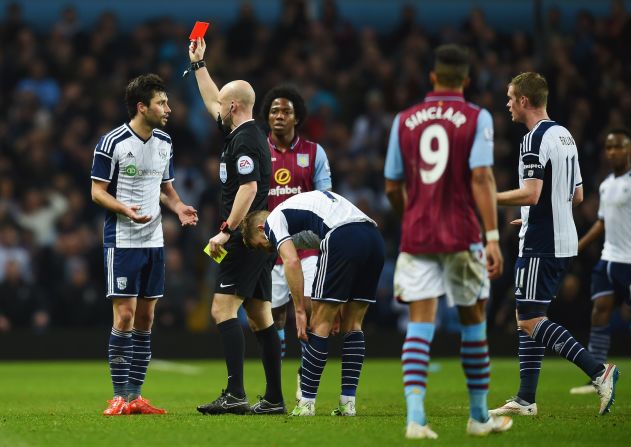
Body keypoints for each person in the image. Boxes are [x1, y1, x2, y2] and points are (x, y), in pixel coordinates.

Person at [384, 44, 511, 439]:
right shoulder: (476, 116)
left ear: (433, 77)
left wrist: (412, 213)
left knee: (420, 323)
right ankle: (478, 417)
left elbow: (392, 185)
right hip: (461, 234)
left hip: (418, 235)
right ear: (467, 81)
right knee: (474, 321)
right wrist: (492, 238)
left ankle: (416, 420)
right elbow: (481, 178)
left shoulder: (404, 120)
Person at [490, 72, 619, 417]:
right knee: (529, 316)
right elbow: (576, 195)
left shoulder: (534, 138)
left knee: (530, 319)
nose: (507, 105)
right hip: (563, 239)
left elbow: (532, 193)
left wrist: (490, 198)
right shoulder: (565, 136)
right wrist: (533, 215)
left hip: (541, 244)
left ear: (524, 101)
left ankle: (598, 371)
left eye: (510, 98)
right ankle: (526, 399)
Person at [90, 74, 199, 415]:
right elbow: (97, 191)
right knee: (124, 316)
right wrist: (124, 209)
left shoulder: (165, 141)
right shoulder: (112, 143)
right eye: (161, 103)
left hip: (154, 241)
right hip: (122, 240)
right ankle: (118, 396)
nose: (168, 109)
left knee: (147, 318)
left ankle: (135, 396)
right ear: (142, 107)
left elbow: (166, 188)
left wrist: (179, 206)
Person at [188, 37, 285, 415]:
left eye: (222, 105)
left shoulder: (243, 140)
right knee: (261, 315)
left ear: (233, 107)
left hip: (245, 236)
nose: (216, 108)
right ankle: (274, 398)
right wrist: (199, 65)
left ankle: (235, 394)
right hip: (261, 237)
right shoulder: (244, 132)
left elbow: (249, 187)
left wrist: (226, 230)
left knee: (221, 310)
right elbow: (214, 99)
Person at [240, 190, 384, 417]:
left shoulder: (273, 220)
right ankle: (348, 404)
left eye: (259, 245)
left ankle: (306, 404)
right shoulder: (300, 218)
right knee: (353, 325)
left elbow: (292, 261)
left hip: (343, 236)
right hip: (373, 238)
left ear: (260, 229)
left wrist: (298, 310)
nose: (265, 250)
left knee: (318, 324)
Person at [260, 84, 332, 398]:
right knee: (272, 317)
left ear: (296, 117)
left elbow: (326, 198)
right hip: (270, 248)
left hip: (307, 248)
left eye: (286, 111)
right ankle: (274, 388)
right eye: (274, 111)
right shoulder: (258, 152)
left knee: (309, 310)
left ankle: (306, 385)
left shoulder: (314, 153)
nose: (279, 116)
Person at [569, 129, 631, 395]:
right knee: (599, 311)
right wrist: (577, 246)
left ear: (628, 149)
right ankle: (597, 376)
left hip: (628, 261)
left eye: (618, 146)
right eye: (609, 147)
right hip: (608, 259)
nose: (613, 151)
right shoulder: (606, 185)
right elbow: (602, 223)